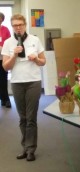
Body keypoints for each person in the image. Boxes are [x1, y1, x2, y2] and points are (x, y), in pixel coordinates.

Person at [2, 14, 46, 161]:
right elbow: (6, 67)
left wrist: (36, 59)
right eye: (15, 25)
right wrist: (14, 55)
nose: (18, 27)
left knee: (31, 118)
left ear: (25, 25)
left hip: (33, 82)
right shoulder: (8, 43)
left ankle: (31, 150)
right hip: (17, 83)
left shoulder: (35, 40)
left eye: (20, 24)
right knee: (23, 118)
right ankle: (25, 147)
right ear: (12, 26)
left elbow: (43, 62)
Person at [0, 12, 11, 108]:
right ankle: (2, 98)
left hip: (3, 57)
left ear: (2, 20)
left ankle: (6, 99)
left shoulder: (5, 30)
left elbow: (9, 43)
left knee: (3, 79)